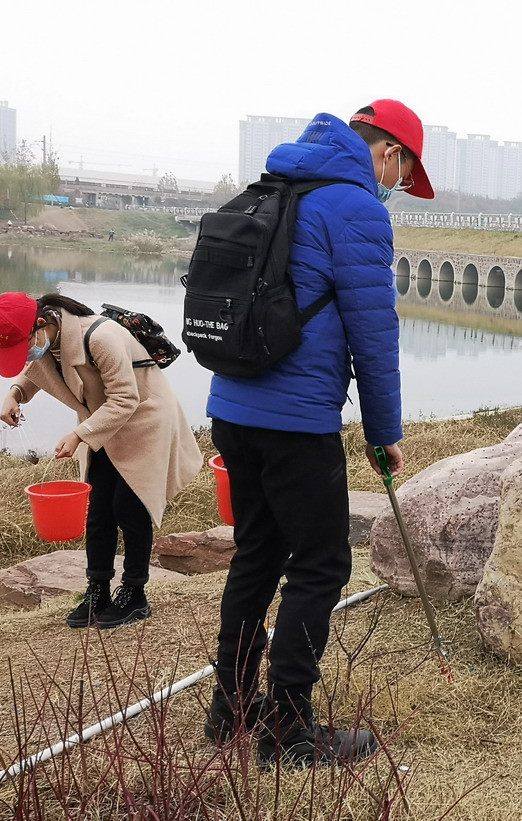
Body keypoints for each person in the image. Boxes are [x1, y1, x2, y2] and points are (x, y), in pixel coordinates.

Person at [204, 99, 434, 768]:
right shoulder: (356, 207)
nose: (397, 186)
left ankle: (231, 710)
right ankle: (288, 729)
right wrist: (384, 430)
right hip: (295, 421)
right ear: (389, 152)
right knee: (322, 563)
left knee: (257, 553)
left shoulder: (273, 185)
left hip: (232, 407)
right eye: (404, 174)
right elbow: (374, 331)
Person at [0, 292, 203, 628]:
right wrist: (15, 394)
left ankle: (135, 594)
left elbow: (126, 398)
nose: (25, 354)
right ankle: (97, 591)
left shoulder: (101, 337)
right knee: (99, 510)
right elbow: (37, 368)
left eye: (23, 345)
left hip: (144, 420)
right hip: (102, 423)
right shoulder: (50, 337)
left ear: (41, 323)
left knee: (129, 506)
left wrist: (79, 434)